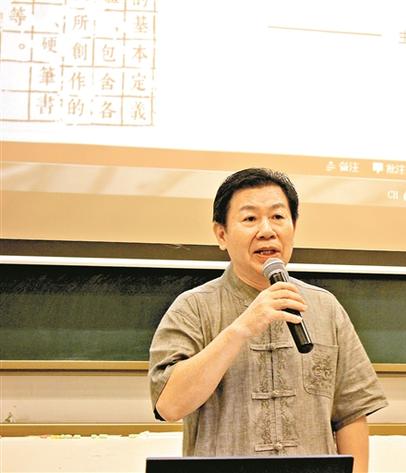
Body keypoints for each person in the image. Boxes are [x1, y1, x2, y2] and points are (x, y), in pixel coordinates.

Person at [148, 168, 387, 472]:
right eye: (250, 219)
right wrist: (240, 329)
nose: (267, 230)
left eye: (277, 217)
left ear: (293, 227)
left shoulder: (326, 307)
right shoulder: (193, 308)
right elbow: (169, 406)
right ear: (221, 234)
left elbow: (351, 414)